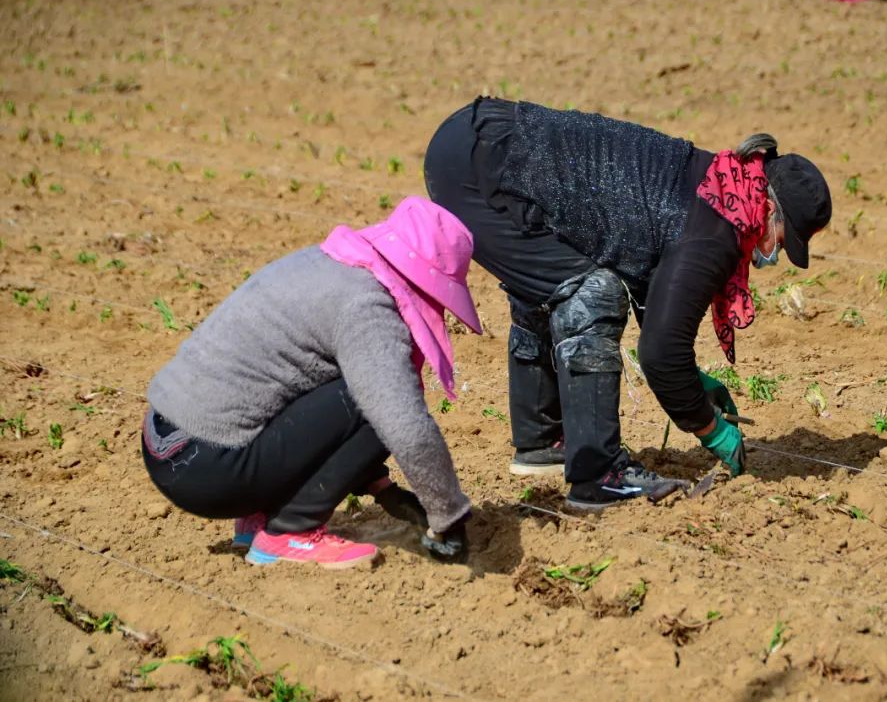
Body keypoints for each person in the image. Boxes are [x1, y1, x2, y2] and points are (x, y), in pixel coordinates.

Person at [423, 98, 832, 510]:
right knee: (591, 290)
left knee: (551, 279)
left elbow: (657, 299)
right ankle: (599, 475)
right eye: (783, 240)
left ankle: (543, 443)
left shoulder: (717, 185)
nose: (774, 255)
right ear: (769, 209)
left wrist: (693, 381)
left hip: (470, 143)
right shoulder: (717, 231)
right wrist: (710, 429)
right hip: (481, 168)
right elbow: (660, 355)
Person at [141, 197, 480, 569]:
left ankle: (259, 515)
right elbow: (404, 426)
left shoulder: (326, 264)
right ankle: (291, 529)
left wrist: (381, 487)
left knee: (353, 380)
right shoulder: (365, 306)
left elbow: (306, 396)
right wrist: (447, 515)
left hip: (169, 444)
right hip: (209, 471)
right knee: (384, 398)